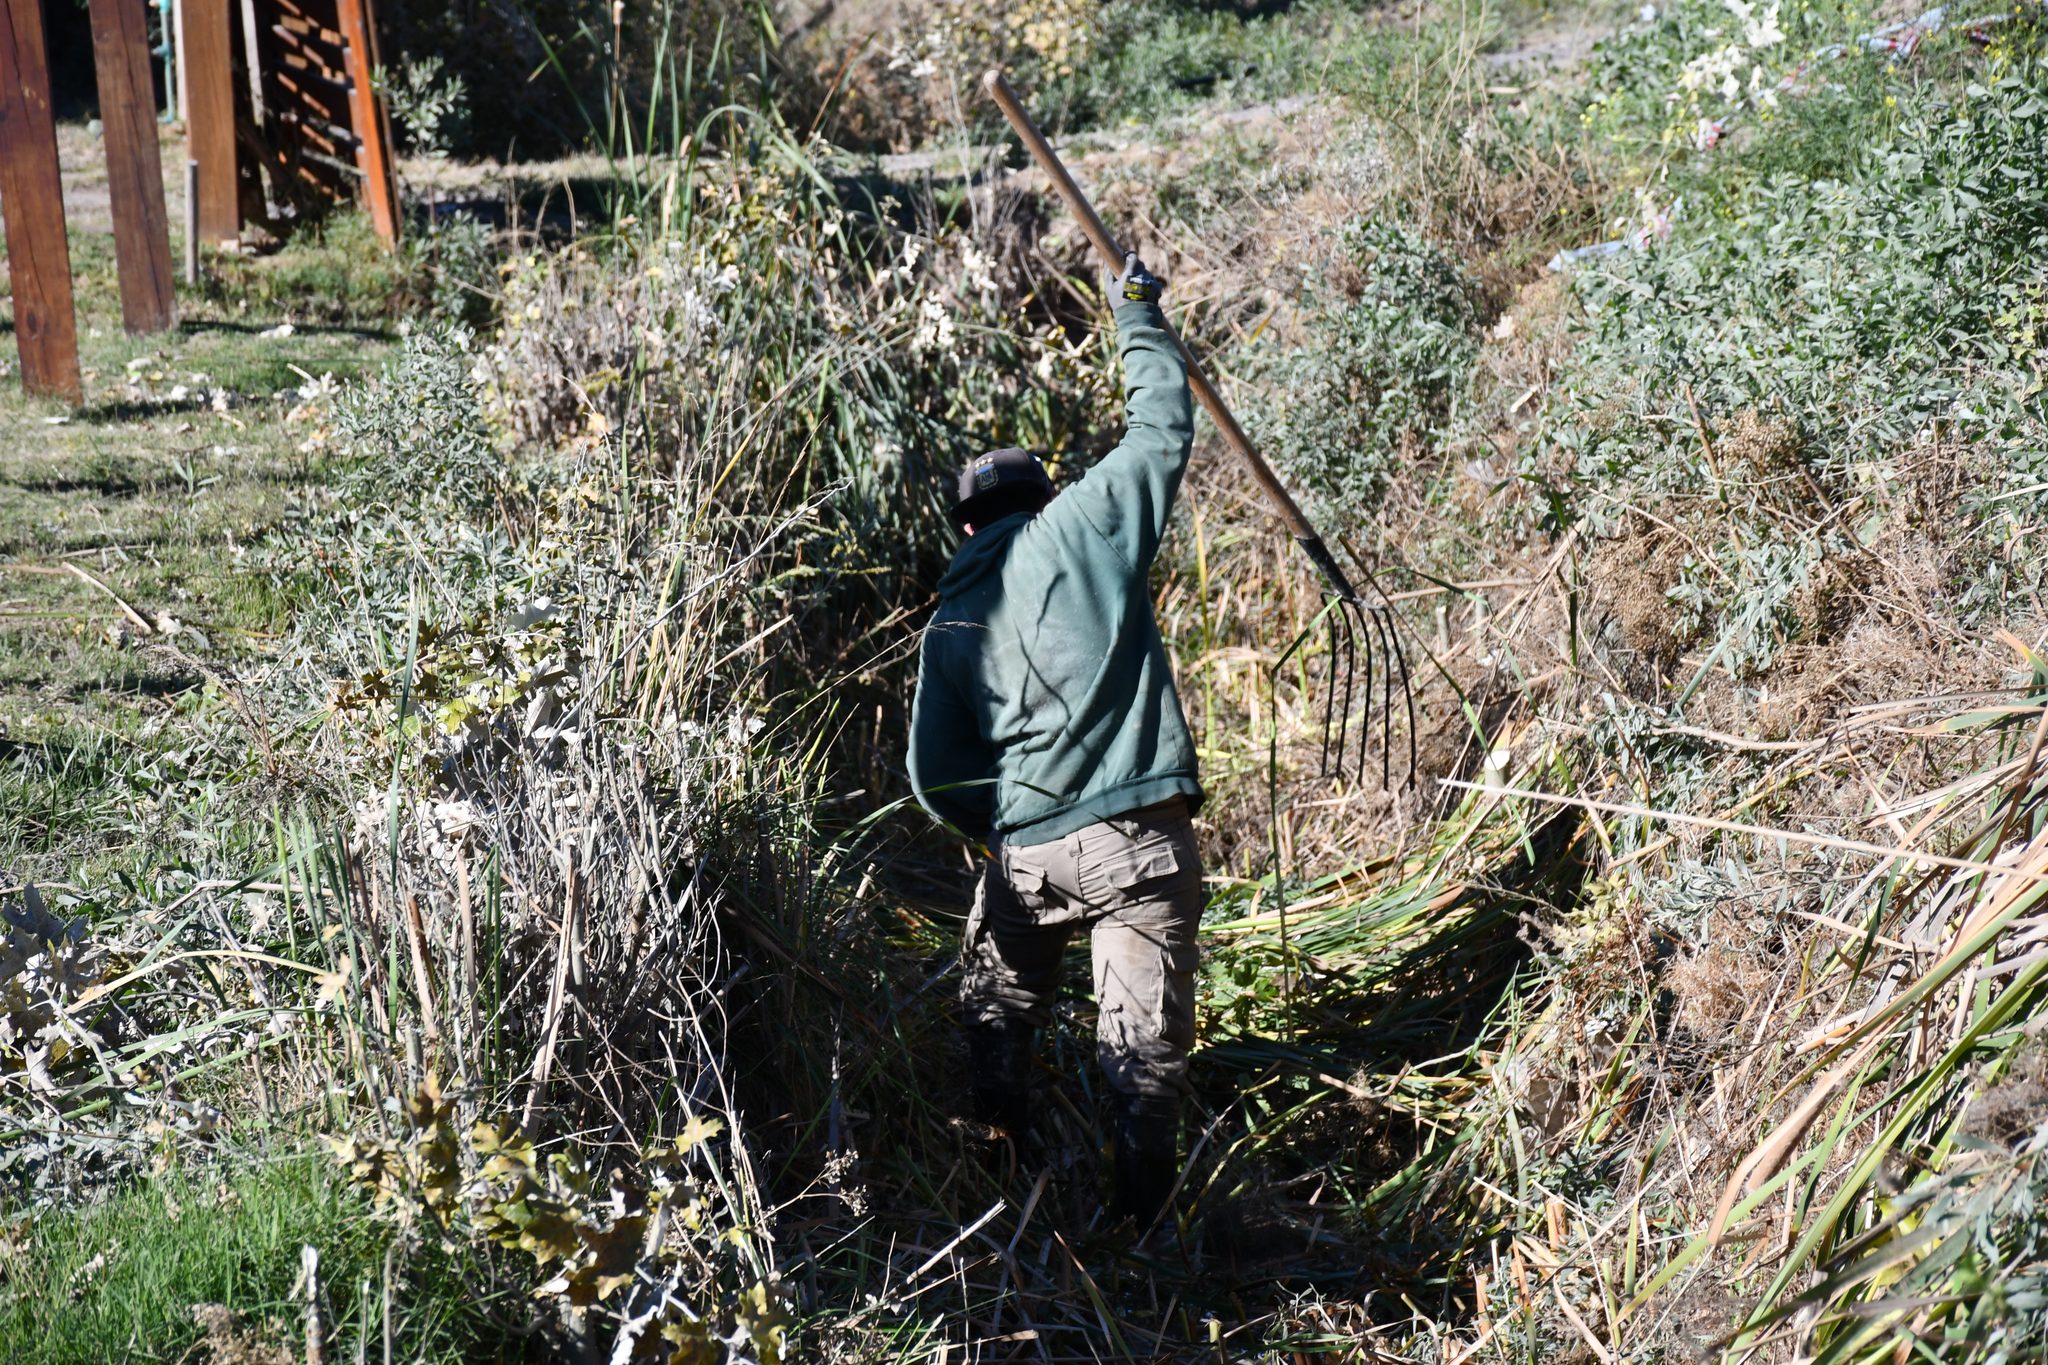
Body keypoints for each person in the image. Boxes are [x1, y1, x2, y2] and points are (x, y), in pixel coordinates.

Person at [907, 251, 1204, 1228]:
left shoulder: (947, 618)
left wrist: (998, 832)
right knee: (1139, 1059)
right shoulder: (1081, 522)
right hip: (1135, 843)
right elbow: (1161, 424)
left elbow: (933, 773)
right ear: (1035, 496)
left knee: (990, 1020)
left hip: (1024, 857)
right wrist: (1134, 311)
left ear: (962, 527)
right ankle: (1140, 1242)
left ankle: (996, 1191)